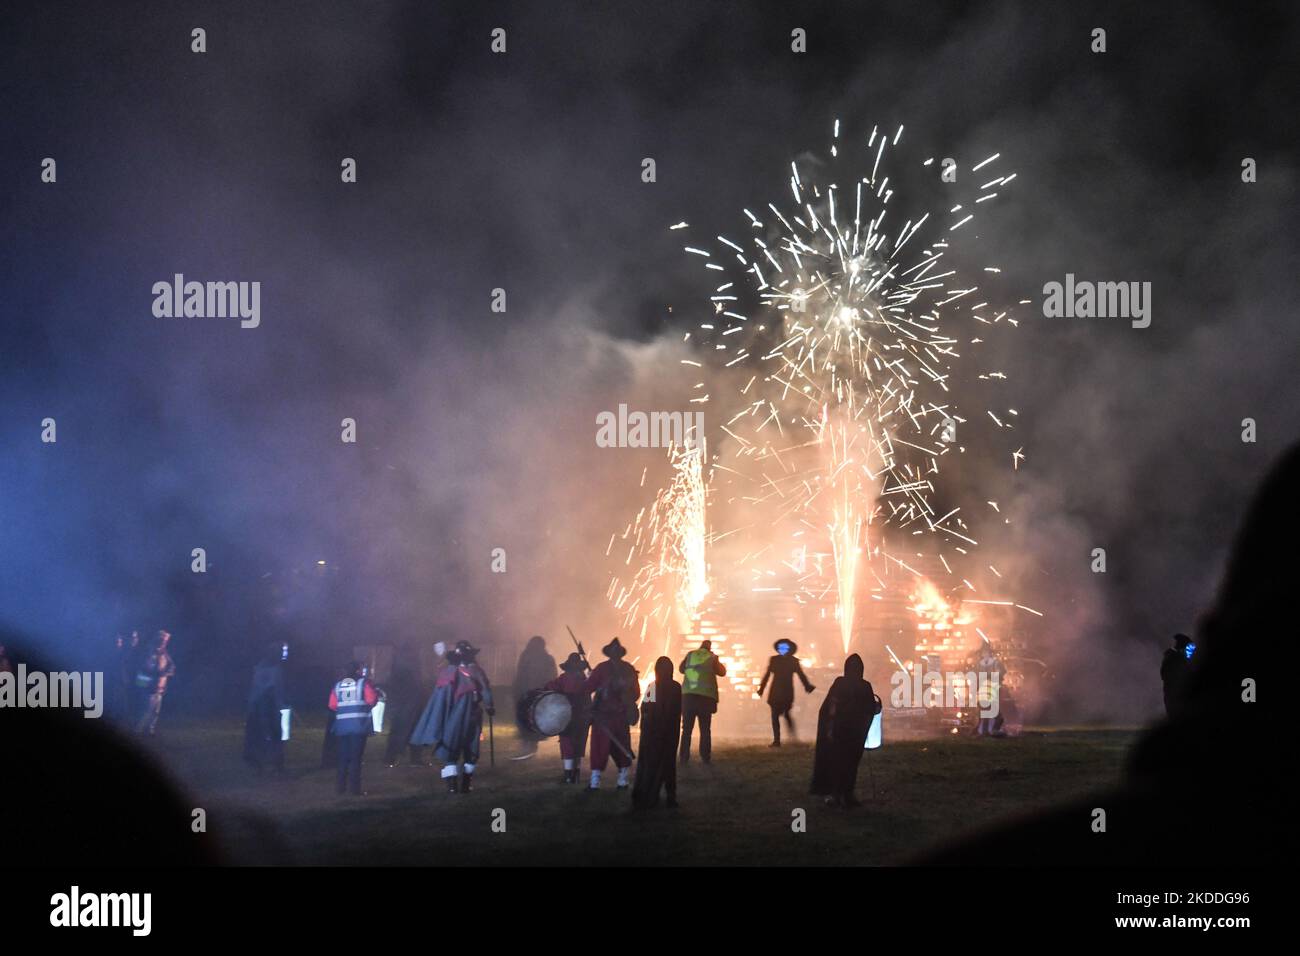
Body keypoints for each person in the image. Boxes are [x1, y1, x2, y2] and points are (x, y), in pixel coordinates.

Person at [409, 640, 495, 793]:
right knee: (471, 748)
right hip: (472, 716)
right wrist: (489, 707)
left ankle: (452, 786)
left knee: (451, 748)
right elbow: (485, 692)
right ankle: (466, 784)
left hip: (452, 716)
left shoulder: (447, 672)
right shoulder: (476, 671)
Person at [810, 654, 876, 807]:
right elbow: (871, 708)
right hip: (855, 733)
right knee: (851, 764)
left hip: (840, 731)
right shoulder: (865, 685)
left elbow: (831, 705)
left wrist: (829, 729)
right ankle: (847, 794)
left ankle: (837, 795)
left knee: (837, 763)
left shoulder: (840, 683)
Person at [582, 637, 638, 790]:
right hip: (620, 715)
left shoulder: (601, 668)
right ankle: (623, 780)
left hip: (603, 716)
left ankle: (595, 782)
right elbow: (636, 694)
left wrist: (590, 678)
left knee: (599, 748)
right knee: (622, 747)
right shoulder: (629, 668)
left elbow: (587, 688)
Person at [632, 656, 682, 809]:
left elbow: (646, 710)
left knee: (653, 764)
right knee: (668, 765)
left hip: (656, 733)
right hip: (667, 732)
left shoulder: (654, 687)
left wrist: (648, 729)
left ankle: (651, 794)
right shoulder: (675, 687)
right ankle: (668, 796)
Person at [328, 661, 379, 796]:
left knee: (343, 758)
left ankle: (340, 788)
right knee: (356, 758)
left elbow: (332, 705)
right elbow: (371, 700)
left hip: (342, 728)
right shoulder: (363, 683)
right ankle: (354, 790)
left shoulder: (338, 685)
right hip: (358, 726)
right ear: (358, 670)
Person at [544, 652, 593, 783]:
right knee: (577, 745)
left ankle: (569, 776)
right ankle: (574, 775)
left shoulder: (565, 678)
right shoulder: (585, 680)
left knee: (568, 744)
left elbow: (550, 686)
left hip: (569, 716)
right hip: (581, 716)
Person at [757, 639, 816, 746]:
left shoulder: (793, 661)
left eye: (784, 648)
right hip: (776, 691)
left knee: (785, 714)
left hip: (786, 692)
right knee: (776, 715)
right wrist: (762, 688)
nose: (782, 650)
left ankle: (790, 738)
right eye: (781, 648)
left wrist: (807, 686)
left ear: (789, 649)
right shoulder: (774, 660)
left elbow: (801, 675)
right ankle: (778, 740)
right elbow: (767, 675)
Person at [678, 639, 726, 764]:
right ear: (709, 648)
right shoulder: (712, 657)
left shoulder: (690, 654)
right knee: (705, 729)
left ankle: (684, 757)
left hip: (688, 697)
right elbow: (722, 672)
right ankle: (705, 756)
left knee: (686, 729)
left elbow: (681, 669)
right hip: (705, 699)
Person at [243, 643, 288, 773]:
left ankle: (274, 764)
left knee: (273, 736)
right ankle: (265, 764)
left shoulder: (266, 668)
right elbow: (268, 688)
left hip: (267, 706)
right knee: (269, 736)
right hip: (265, 706)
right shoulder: (268, 669)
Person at [383, 644, 430, 767]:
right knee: (400, 732)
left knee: (411, 732)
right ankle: (392, 757)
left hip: (411, 706)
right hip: (405, 707)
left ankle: (412, 758)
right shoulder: (403, 669)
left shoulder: (408, 668)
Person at [513, 635, 558, 756]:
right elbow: (521, 674)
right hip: (531, 693)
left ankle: (530, 743)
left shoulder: (544, 659)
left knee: (532, 718)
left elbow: (552, 676)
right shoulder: (531, 657)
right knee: (530, 718)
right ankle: (529, 743)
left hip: (534, 693)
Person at [133, 630, 176, 736]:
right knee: (146, 709)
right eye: (162, 640)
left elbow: (171, 666)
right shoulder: (148, 651)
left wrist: (166, 674)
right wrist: (151, 677)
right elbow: (143, 668)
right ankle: (138, 729)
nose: (164, 642)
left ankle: (150, 729)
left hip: (159, 686)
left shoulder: (164, 653)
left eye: (165, 641)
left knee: (156, 710)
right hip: (148, 686)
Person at [973, 638, 1005, 737]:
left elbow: (1001, 672)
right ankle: (985, 731)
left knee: (992, 711)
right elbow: (976, 675)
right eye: (983, 652)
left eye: (987, 651)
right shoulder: (979, 664)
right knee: (985, 711)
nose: (985, 654)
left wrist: (991, 676)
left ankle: (989, 730)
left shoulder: (996, 663)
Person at [1160, 633, 1194, 718]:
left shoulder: (1177, 656)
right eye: (1185, 645)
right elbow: (1164, 673)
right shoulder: (1174, 656)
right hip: (1173, 688)